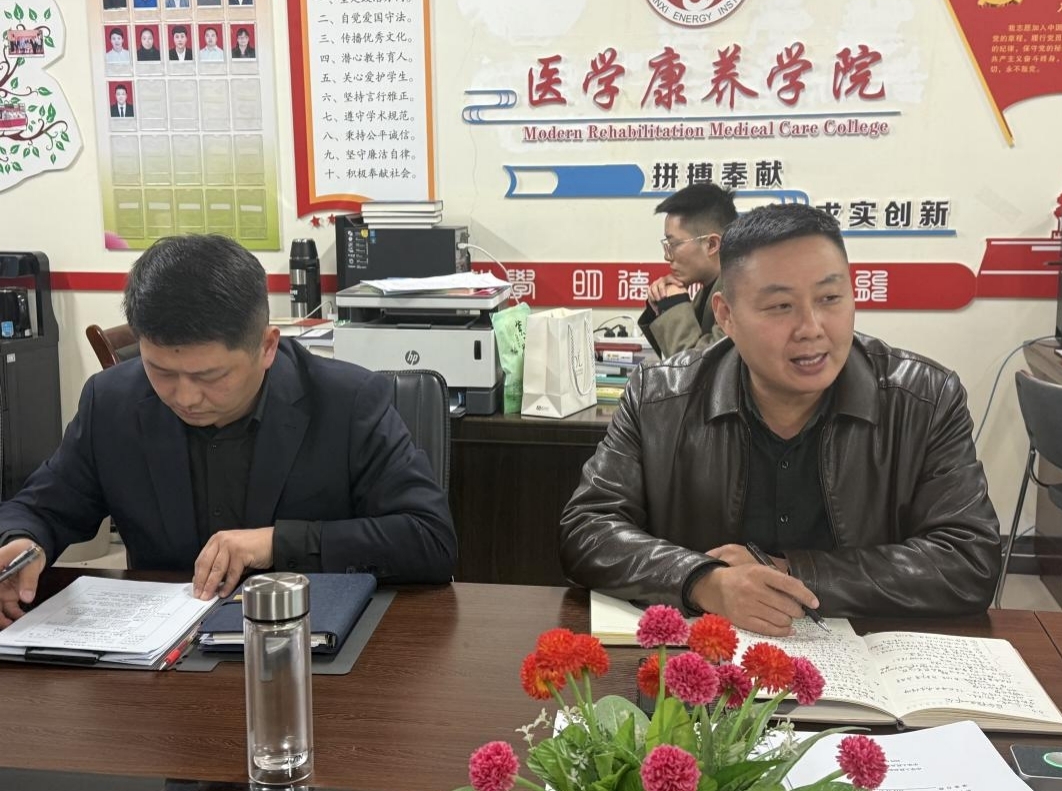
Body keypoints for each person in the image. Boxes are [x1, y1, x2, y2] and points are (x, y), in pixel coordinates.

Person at [560, 204, 1001, 635]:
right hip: (707, 666)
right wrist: (705, 581)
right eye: (780, 306)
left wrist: (789, 574)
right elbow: (588, 530)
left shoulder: (923, 400)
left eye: (830, 298)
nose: (811, 328)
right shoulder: (660, 398)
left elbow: (969, 559)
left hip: (869, 660)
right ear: (726, 316)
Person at [0, 234, 457, 628]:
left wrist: (276, 542)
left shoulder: (347, 402)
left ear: (267, 346)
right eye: (161, 370)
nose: (185, 397)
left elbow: (429, 540)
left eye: (210, 376)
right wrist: (21, 543)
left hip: (308, 646)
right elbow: (41, 507)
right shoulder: (112, 402)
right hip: (156, 662)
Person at [638, 183, 735, 358]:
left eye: (674, 244)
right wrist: (662, 307)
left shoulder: (739, 297)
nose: (667, 257)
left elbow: (694, 367)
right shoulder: (708, 291)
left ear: (711, 244)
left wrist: (675, 304)